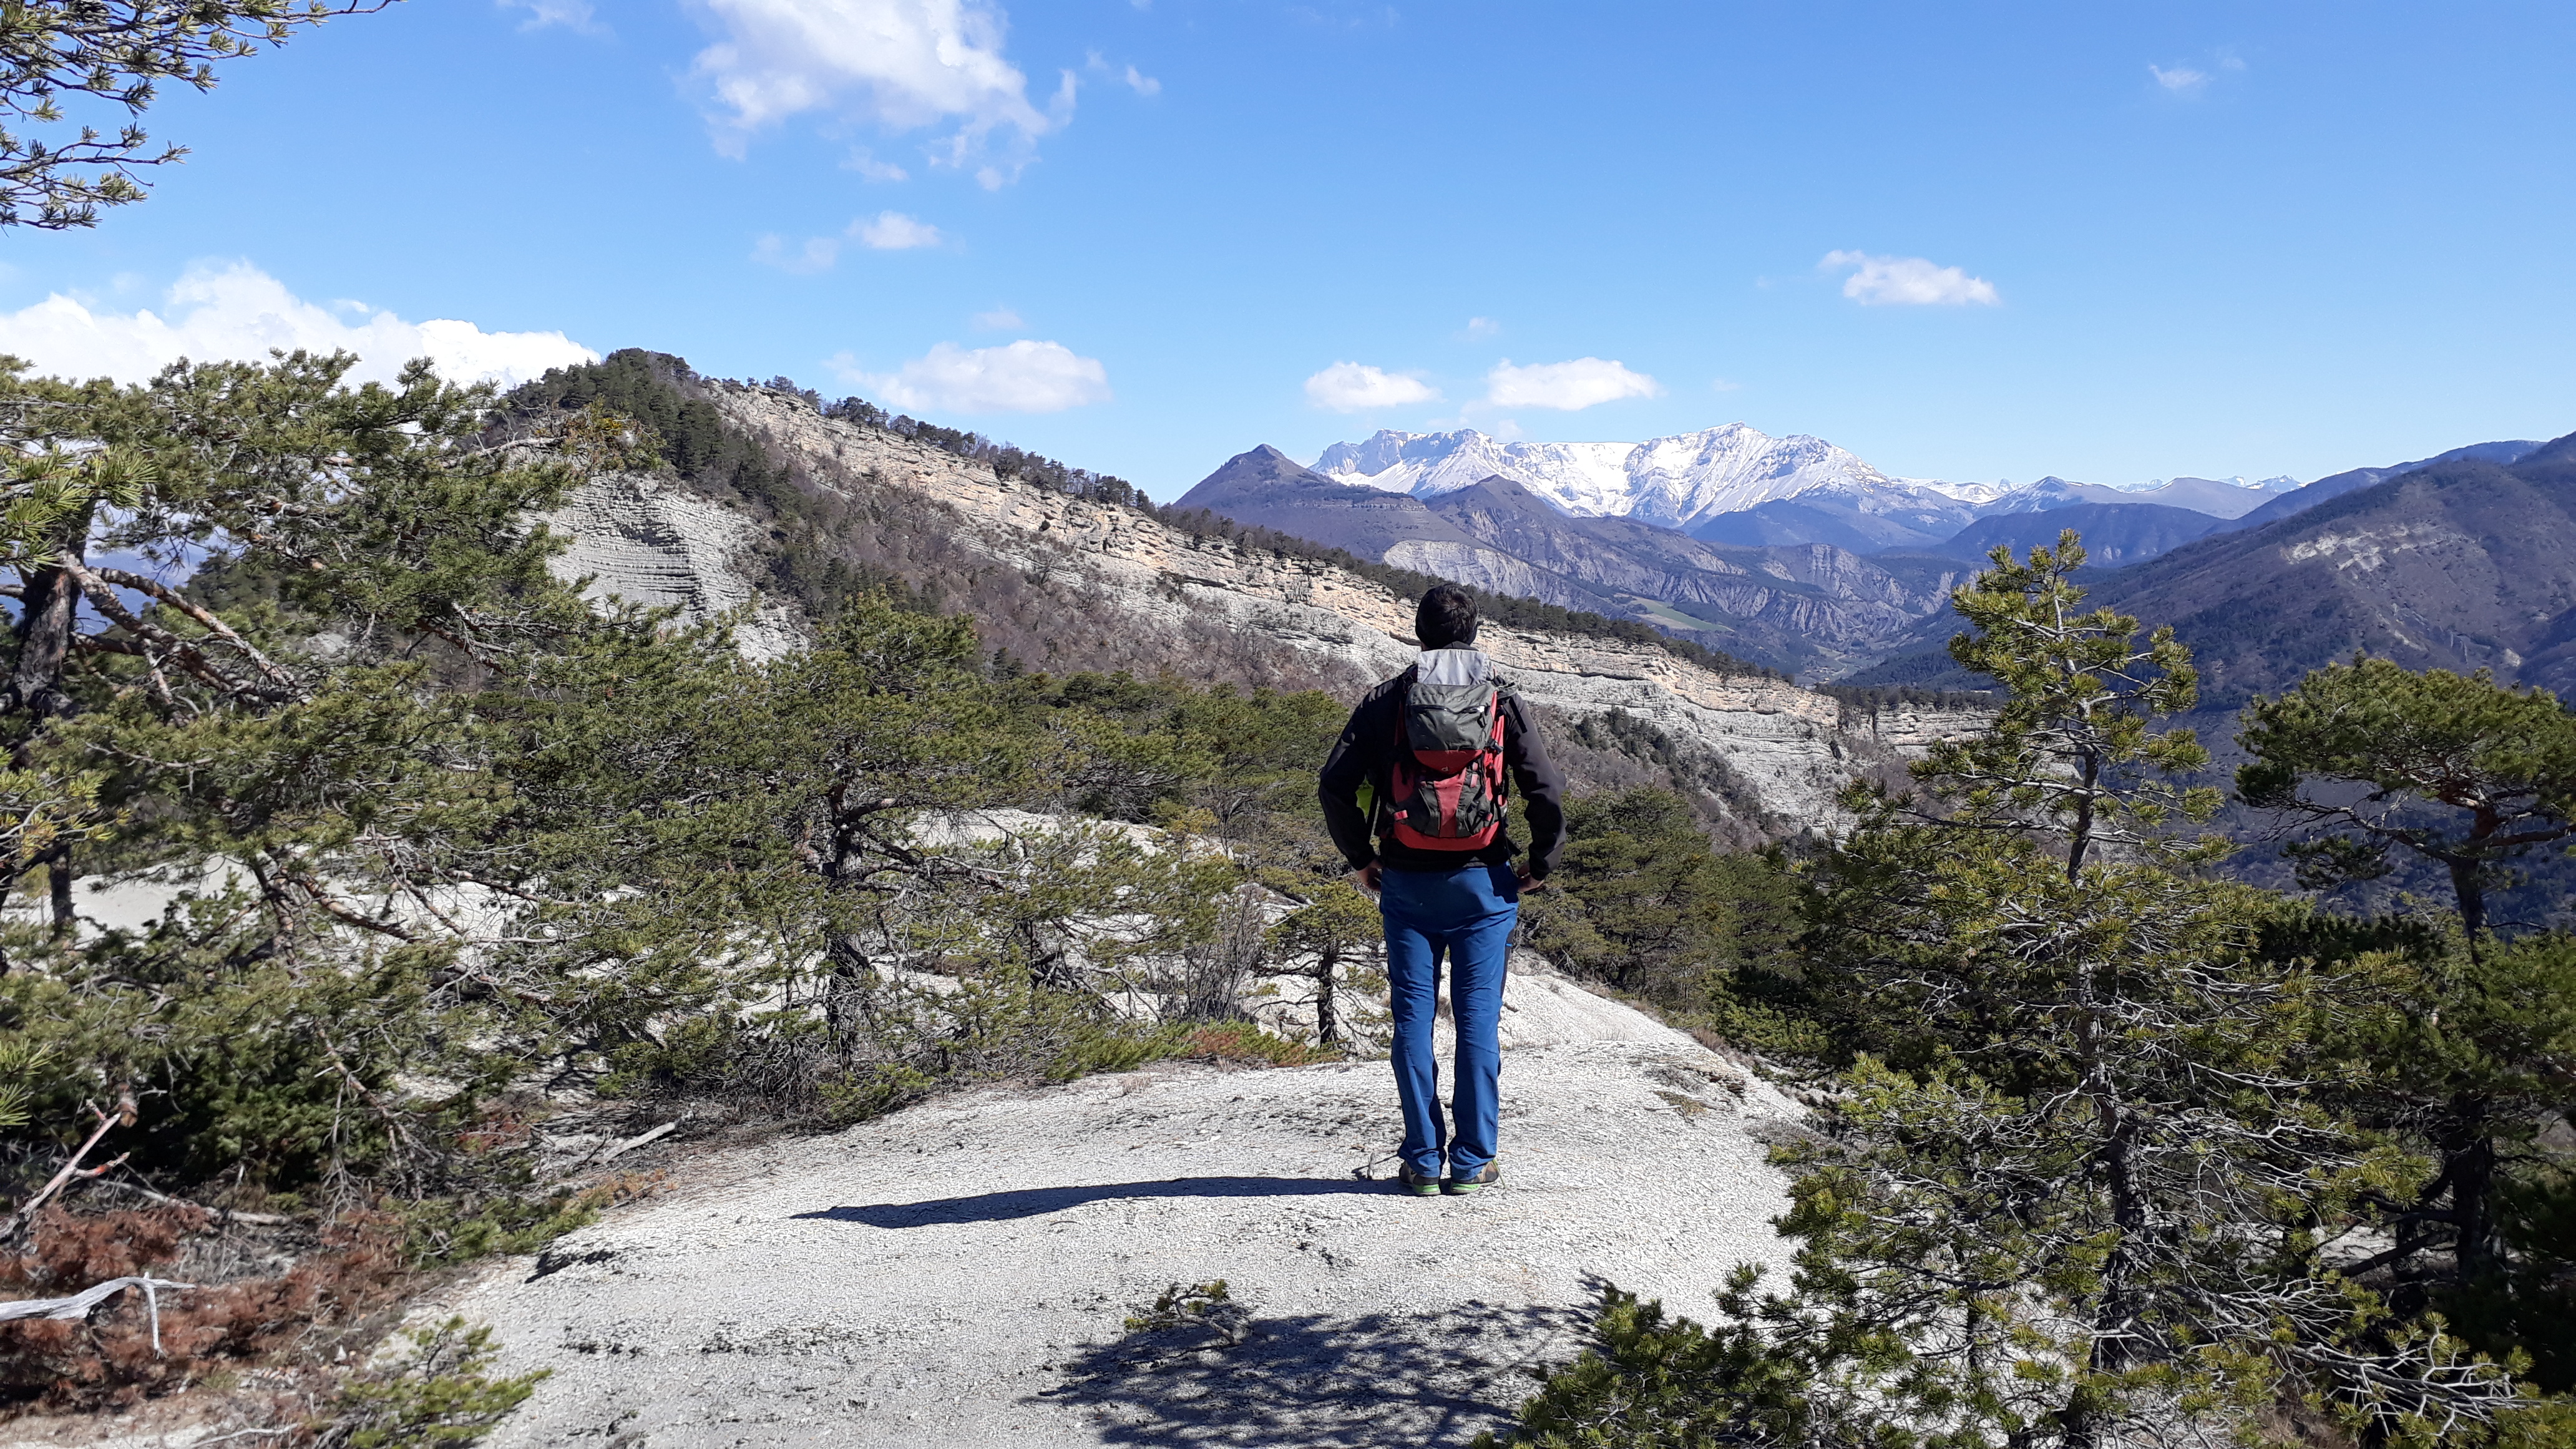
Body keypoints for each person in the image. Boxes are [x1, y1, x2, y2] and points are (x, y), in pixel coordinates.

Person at [1318, 584, 1566, 1196]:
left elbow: (1334, 786)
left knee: (1412, 1022)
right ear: (1474, 633)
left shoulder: (1386, 701)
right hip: (1485, 885)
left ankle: (1424, 1161)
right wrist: (1542, 861)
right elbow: (1547, 791)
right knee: (1477, 1023)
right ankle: (1474, 1161)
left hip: (1406, 884)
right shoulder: (1500, 700)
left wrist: (1360, 859)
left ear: (1418, 633)